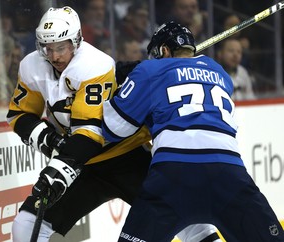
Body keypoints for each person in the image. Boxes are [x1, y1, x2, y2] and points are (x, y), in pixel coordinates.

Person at [8, 6, 222, 242]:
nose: (55, 56)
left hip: (128, 157)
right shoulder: (32, 66)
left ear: (77, 41)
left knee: (194, 224)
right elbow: (19, 114)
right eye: (48, 48)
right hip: (81, 162)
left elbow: (89, 133)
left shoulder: (94, 64)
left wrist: (59, 168)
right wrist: (50, 140)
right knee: (25, 226)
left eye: (61, 47)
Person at [102, 21, 284, 242]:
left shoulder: (149, 70)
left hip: (173, 175)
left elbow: (113, 128)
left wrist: (128, 80)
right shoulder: (220, 72)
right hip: (228, 174)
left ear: (164, 50)